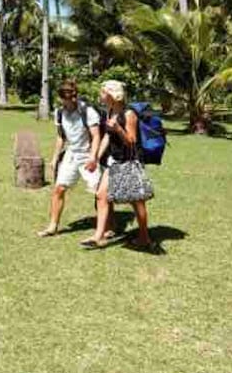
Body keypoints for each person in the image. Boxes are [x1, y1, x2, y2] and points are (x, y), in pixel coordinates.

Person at [84, 79, 155, 250]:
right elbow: (107, 137)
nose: (100, 95)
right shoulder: (110, 111)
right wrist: (95, 157)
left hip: (129, 161)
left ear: (112, 95)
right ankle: (99, 236)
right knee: (101, 195)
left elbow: (131, 141)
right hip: (114, 161)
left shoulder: (128, 114)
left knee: (136, 201)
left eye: (103, 92)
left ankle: (144, 238)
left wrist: (118, 129)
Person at [36, 79, 103, 237]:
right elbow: (61, 137)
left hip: (87, 154)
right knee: (59, 189)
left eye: (71, 97)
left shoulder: (88, 111)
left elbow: (96, 136)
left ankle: (107, 226)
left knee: (99, 193)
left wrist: (93, 158)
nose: (69, 101)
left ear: (75, 95)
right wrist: (54, 158)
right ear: (61, 97)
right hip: (71, 155)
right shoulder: (59, 113)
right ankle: (53, 226)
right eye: (65, 98)